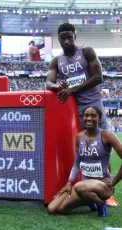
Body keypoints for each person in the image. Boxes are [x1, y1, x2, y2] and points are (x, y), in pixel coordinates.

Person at [46, 22, 118, 207]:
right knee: (86, 149)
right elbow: (48, 83)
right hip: (75, 110)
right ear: (59, 40)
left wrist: (72, 88)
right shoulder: (57, 61)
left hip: (94, 105)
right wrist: (59, 87)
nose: (67, 40)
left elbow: (98, 77)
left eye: (70, 37)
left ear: (75, 37)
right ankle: (87, 186)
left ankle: (106, 190)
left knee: (102, 146)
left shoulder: (86, 52)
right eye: (64, 38)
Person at [47, 106, 122, 216]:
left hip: (102, 185)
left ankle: (100, 202)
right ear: (83, 118)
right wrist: (69, 183)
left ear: (99, 119)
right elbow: (77, 164)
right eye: (86, 115)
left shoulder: (107, 135)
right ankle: (90, 201)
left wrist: (113, 182)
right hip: (84, 186)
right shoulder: (79, 137)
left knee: (78, 187)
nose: (89, 118)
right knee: (54, 209)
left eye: (93, 116)